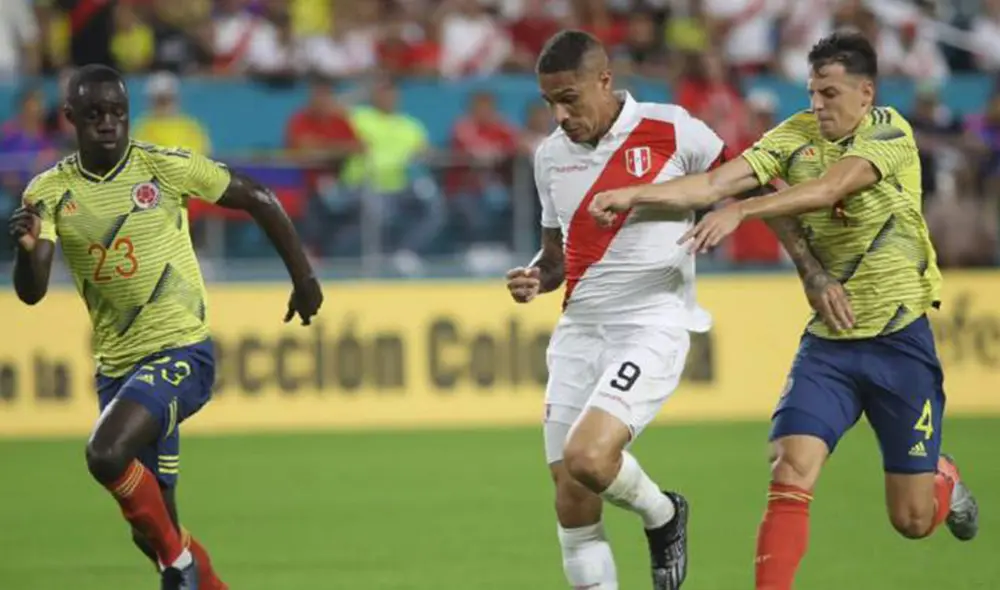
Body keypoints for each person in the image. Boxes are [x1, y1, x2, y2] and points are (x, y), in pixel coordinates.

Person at [588, 32, 978, 590]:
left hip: (898, 344)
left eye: (830, 92)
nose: (817, 104)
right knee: (789, 470)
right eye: (812, 92)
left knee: (912, 521)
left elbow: (829, 189)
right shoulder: (792, 136)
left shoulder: (890, 132)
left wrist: (743, 210)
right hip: (829, 348)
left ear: (866, 93)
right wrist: (632, 194)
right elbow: (716, 182)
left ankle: (942, 475)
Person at [503, 30, 834, 590]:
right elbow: (558, 254)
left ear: (604, 81)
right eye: (548, 103)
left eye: (569, 98)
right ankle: (652, 523)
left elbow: (756, 183)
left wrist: (810, 269)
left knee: (588, 456)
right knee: (572, 500)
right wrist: (538, 275)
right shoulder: (550, 157)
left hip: (651, 323)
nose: (559, 115)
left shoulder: (673, 129)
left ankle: (662, 514)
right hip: (580, 329)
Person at [8, 64, 323, 590]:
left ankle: (179, 567)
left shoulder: (163, 167)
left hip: (182, 354)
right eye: (93, 115)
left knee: (106, 454)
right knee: (153, 530)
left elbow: (258, 198)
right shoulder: (48, 191)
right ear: (69, 119)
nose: (107, 123)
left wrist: (304, 278)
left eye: (117, 113)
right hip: (119, 368)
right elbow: (32, 290)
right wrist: (25, 251)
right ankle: (188, 568)